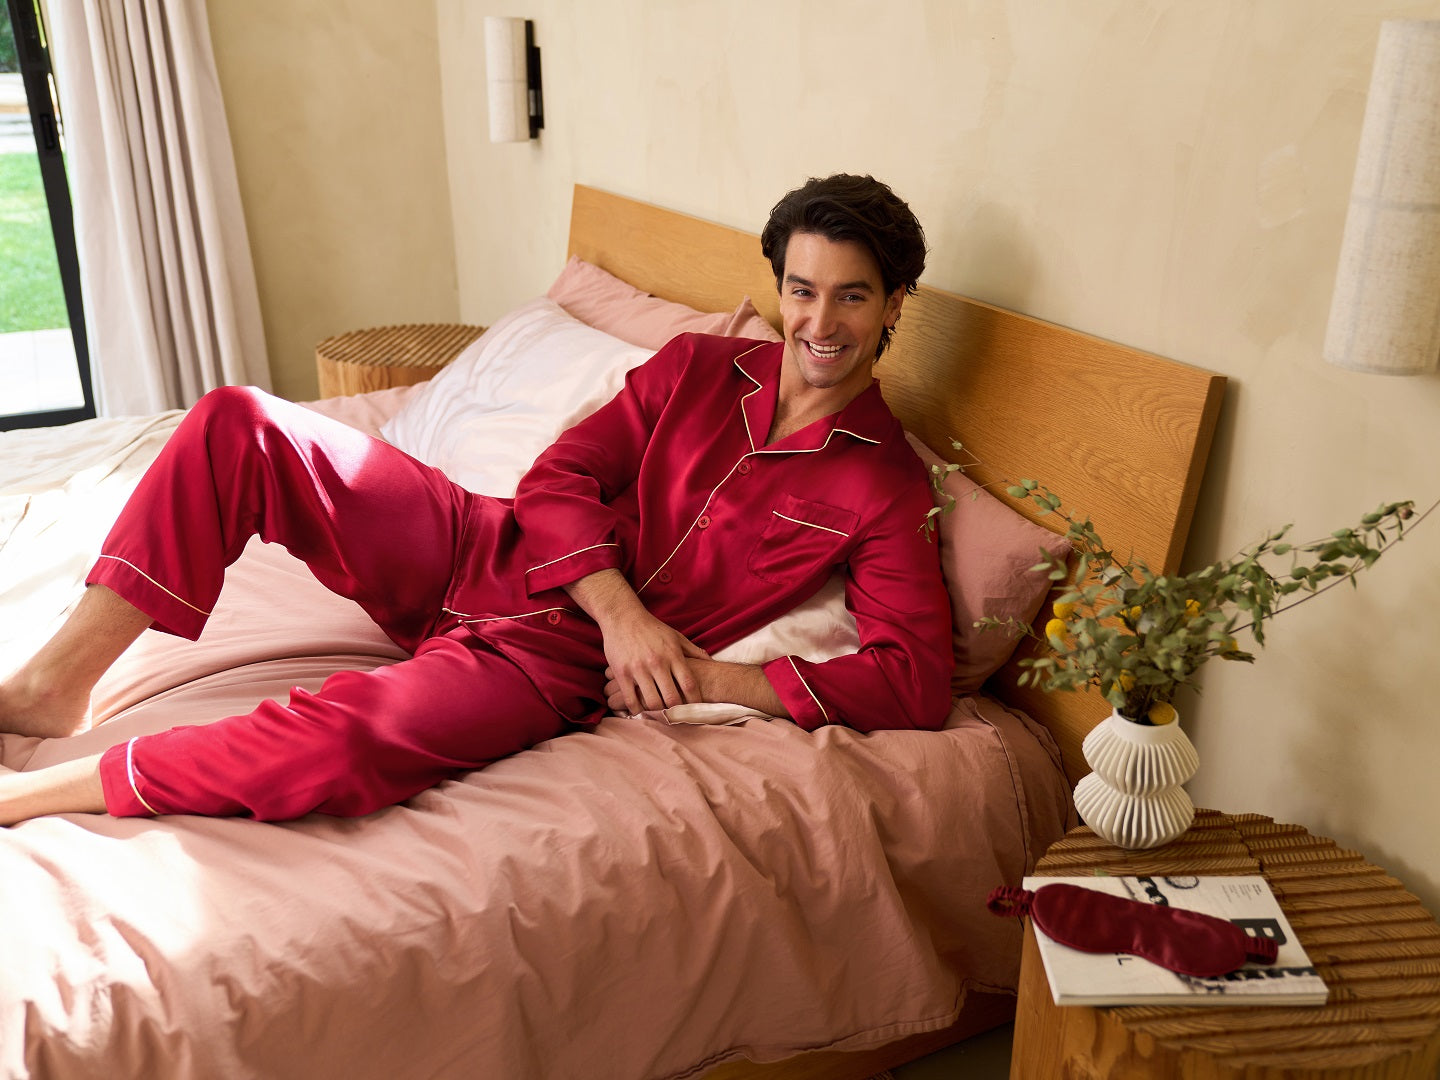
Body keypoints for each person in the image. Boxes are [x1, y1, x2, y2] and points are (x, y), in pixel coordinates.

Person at [0, 173, 953, 825]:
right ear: (779, 289)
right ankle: (54, 686)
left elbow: (911, 677)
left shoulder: (885, 485)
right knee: (239, 420)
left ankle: (44, 796)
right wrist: (624, 613)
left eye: (853, 297)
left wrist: (706, 678)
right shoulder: (698, 366)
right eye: (800, 291)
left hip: (550, 660)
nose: (818, 324)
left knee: (351, 746)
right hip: (485, 544)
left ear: (897, 301)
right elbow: (557, 479)